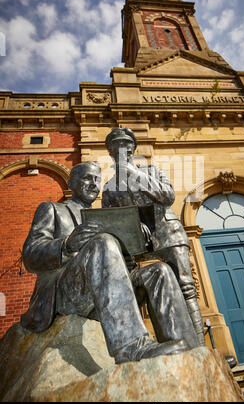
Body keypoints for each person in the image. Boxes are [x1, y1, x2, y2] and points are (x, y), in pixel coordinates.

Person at [21, 161, 199, 364]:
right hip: (65, 291)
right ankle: (130, 346)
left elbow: (118, 266)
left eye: (97, 179)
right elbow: (30, 255)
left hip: (104, 293)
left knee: (159, 271)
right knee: (102, 242)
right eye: (87, 178)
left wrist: (134, 239)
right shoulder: (52, 210)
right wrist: (67, 244)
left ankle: (190, 350)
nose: (93, 184)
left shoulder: (107, 216)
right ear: (71, 183)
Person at [102, 128, 205, 346]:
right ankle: (163, 345)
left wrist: (131, 173)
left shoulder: (152, 171)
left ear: (132, 149)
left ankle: (200, 349)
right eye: (116, 146)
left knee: (186, 289)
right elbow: (111, 222)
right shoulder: (109, 189)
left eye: (125, 145)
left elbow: (166, 196)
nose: (121, 149)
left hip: (168, 234)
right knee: (143, 293)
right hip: (138, 245)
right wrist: (132, 226)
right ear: (110, 152)